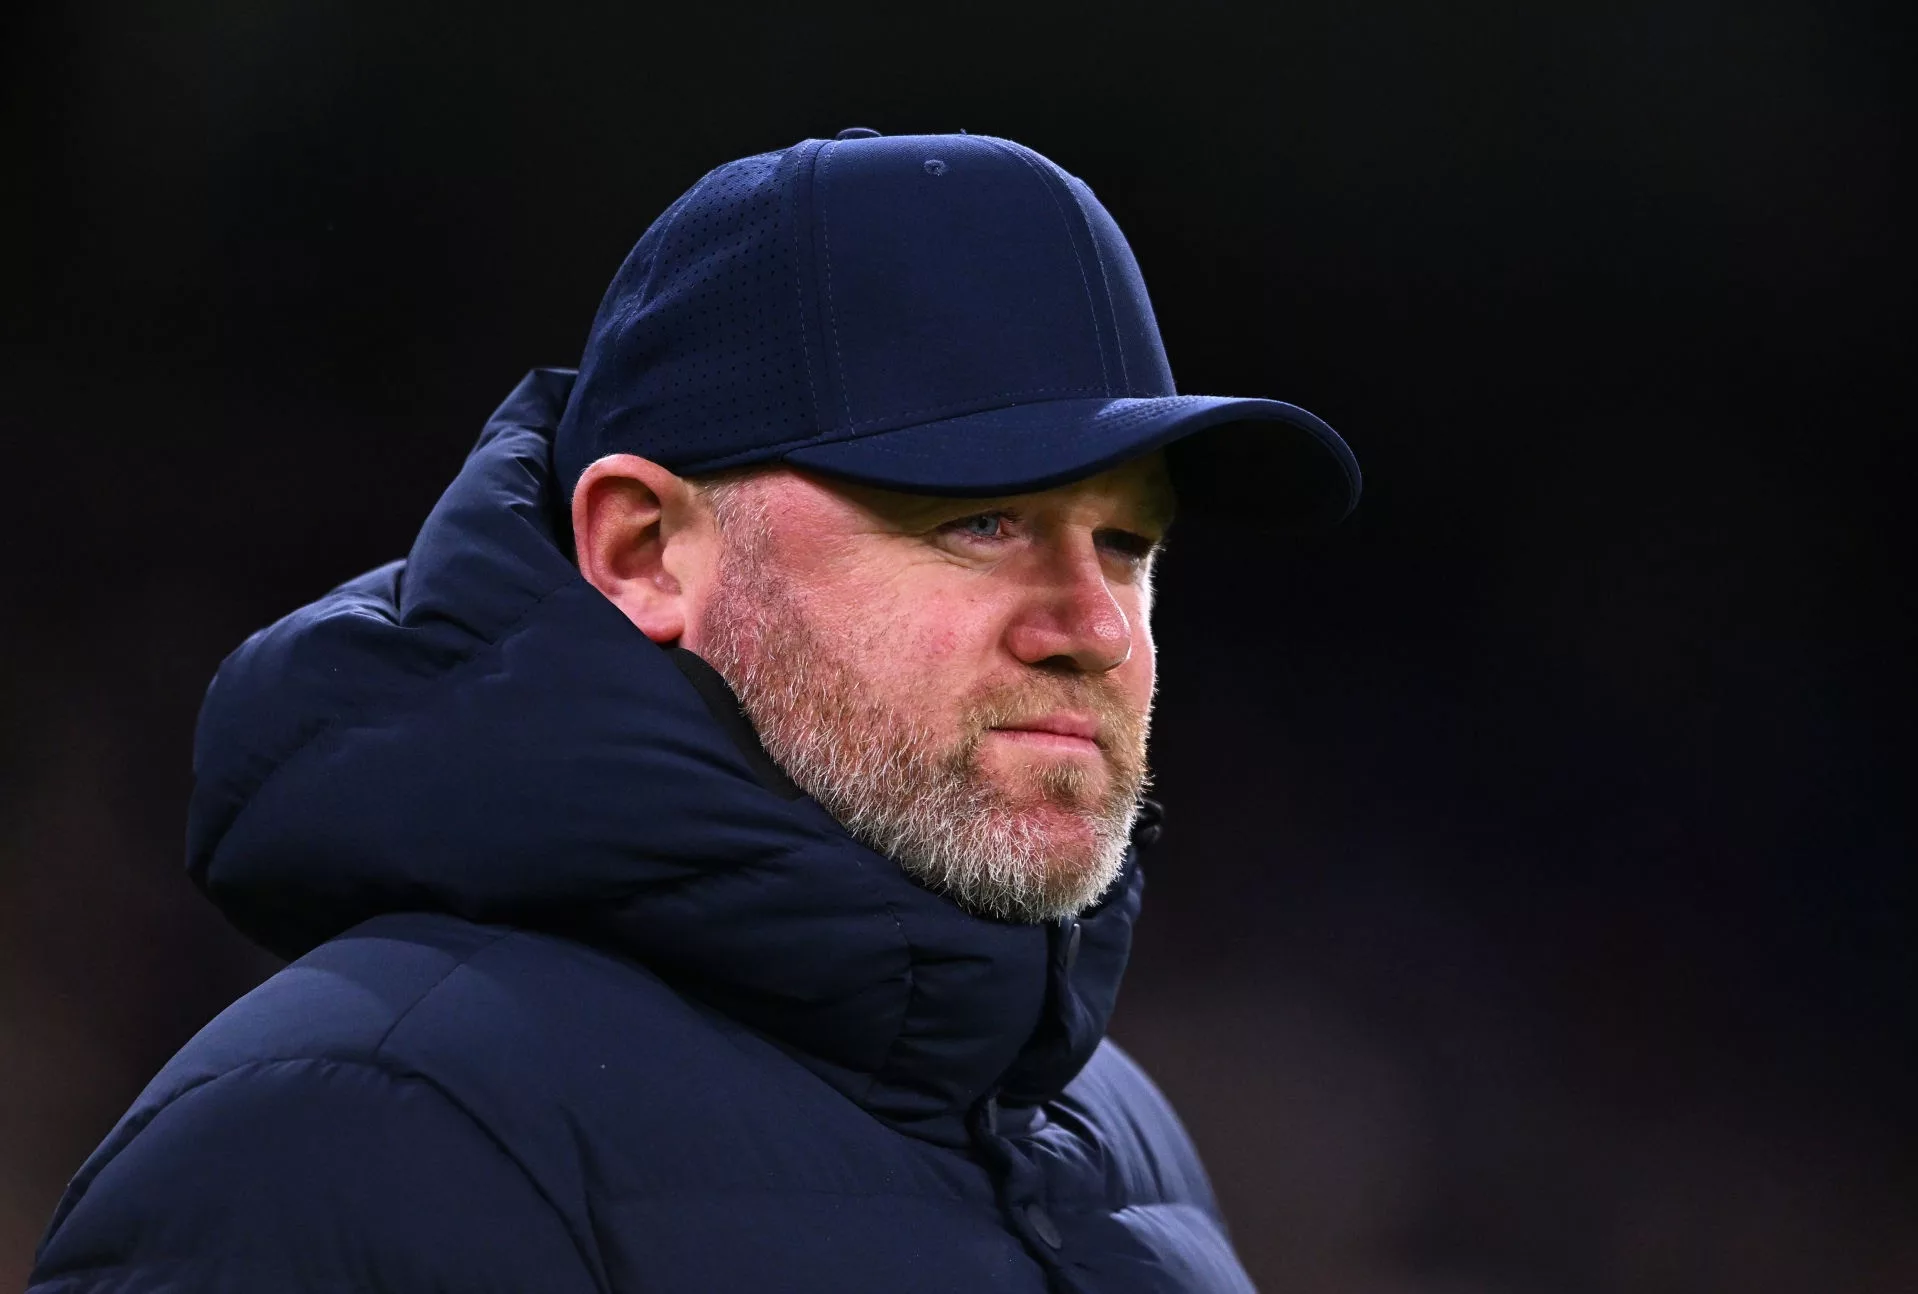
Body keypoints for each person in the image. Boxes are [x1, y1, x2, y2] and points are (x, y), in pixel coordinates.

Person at [29, 129, 1357, 1293]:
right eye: (983, 518)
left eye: (1127, 543)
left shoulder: (1123, 1134)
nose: (1095, 628)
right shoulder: (335, 1142)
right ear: (644, 548)